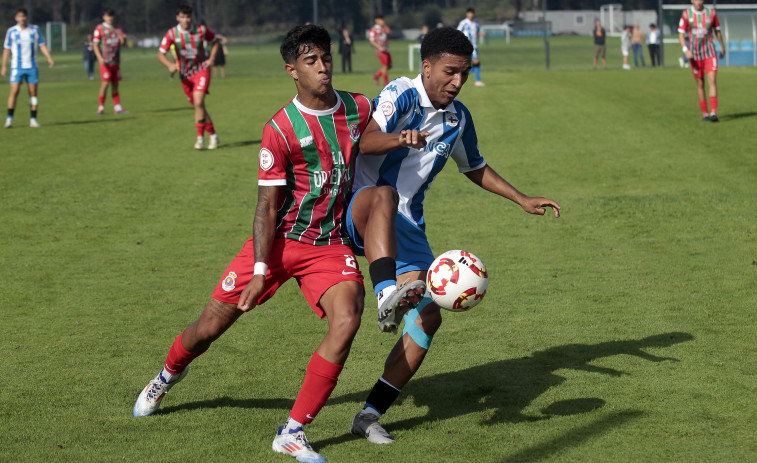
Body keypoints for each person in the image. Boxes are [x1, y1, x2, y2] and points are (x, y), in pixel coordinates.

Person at [133, 24, 375, 463]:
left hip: (328, 244)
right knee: (208, 328)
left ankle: (293, 431)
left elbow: (366, 138)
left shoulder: (357, 106)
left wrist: (406, 136)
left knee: (349, 317)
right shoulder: (280, 129)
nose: (323, 67)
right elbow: (266, 207)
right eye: (310, 61)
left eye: (325, 58)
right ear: (291, 71)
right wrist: (261, 269)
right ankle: (166, 376)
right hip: (277, 244)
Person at [346, 27, 561, 444]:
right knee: (340, 313)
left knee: (428, 317)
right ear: (425, 66)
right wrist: (400, 137)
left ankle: (369, 414)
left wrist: (520, 198)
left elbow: (474, 166)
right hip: (363, 205)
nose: (457, 82)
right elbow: (362, 141)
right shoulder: (401, 94)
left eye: (464, 73)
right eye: (450, 72)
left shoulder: (457, 118)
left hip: (406, 228)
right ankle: (386, 292)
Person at [157, 4, 220, 150]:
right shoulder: (172, 34)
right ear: (177, 18)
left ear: (192, 17)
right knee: (198, 106)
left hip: (201, 71)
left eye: (188, 17)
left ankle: (200, 139)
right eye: (182, 17)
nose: (185, 20)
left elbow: (215, 41)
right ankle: (213, 135)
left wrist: (211, 59)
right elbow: (160, 54)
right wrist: (169, 65)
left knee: (198, 103)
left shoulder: (201, 30)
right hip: (184, 75)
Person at [2, 7, 54, 128]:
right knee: (14, 91)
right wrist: (4, 65)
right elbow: (6, 49)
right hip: (17, 67)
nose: (22, 19)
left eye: (23, 16)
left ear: (27, 17)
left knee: (33, 93)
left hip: (32, 66)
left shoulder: (34, 30)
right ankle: (9, 119)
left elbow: (42, 45)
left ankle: (33, 119)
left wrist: (49, 57)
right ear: (16, 18)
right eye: (19, 16)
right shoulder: (12, 31)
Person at [678, 0, 725, 122]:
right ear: (692, 1)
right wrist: (685, 49)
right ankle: (705, 114)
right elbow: (681, 34)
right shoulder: (686, 14)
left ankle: (713, 113)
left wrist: (722, 46)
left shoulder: (711, 13)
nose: (698, 1)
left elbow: (717, 31)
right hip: (695, 55)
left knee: (712, 80)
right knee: (700, 84)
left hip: (710, 53)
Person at [93, 8, 128, 116]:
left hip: (115, 61)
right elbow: (95, 45)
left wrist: (122, 38)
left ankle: (117, 107)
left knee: (115, 84)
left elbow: (123, 42)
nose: (110, 18)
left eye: (111, 16)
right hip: (105, 62)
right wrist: (100, 58)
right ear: (104, 17)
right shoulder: (99, 29)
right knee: (105, 83)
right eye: (108, 16)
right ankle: (100, 107)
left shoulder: (116, 29)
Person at [457, 7, 486, 86]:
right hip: (468, 45)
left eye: (472, 13)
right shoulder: (464, 23)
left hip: (475, 45)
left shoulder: (476, 22)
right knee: (476, 62)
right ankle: (477, 80)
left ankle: (462, 75)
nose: (471, 15)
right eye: (469, 13)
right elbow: (458, 32)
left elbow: (477, 32)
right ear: (467, 14)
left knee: (475, 63)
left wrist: (481, 34)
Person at [369, 14, 392, 86]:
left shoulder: (384, 27)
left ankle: (376, 76)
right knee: (385, 66)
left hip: (386, 49)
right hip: (380, 50)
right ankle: (386, 83)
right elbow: (372, 41)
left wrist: (384, 25)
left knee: (390, 66)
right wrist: (379, 47)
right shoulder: (374, 29)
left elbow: (390, 32)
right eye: (380, 19)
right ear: (376, 20)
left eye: (382, 19)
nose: (381, 21)